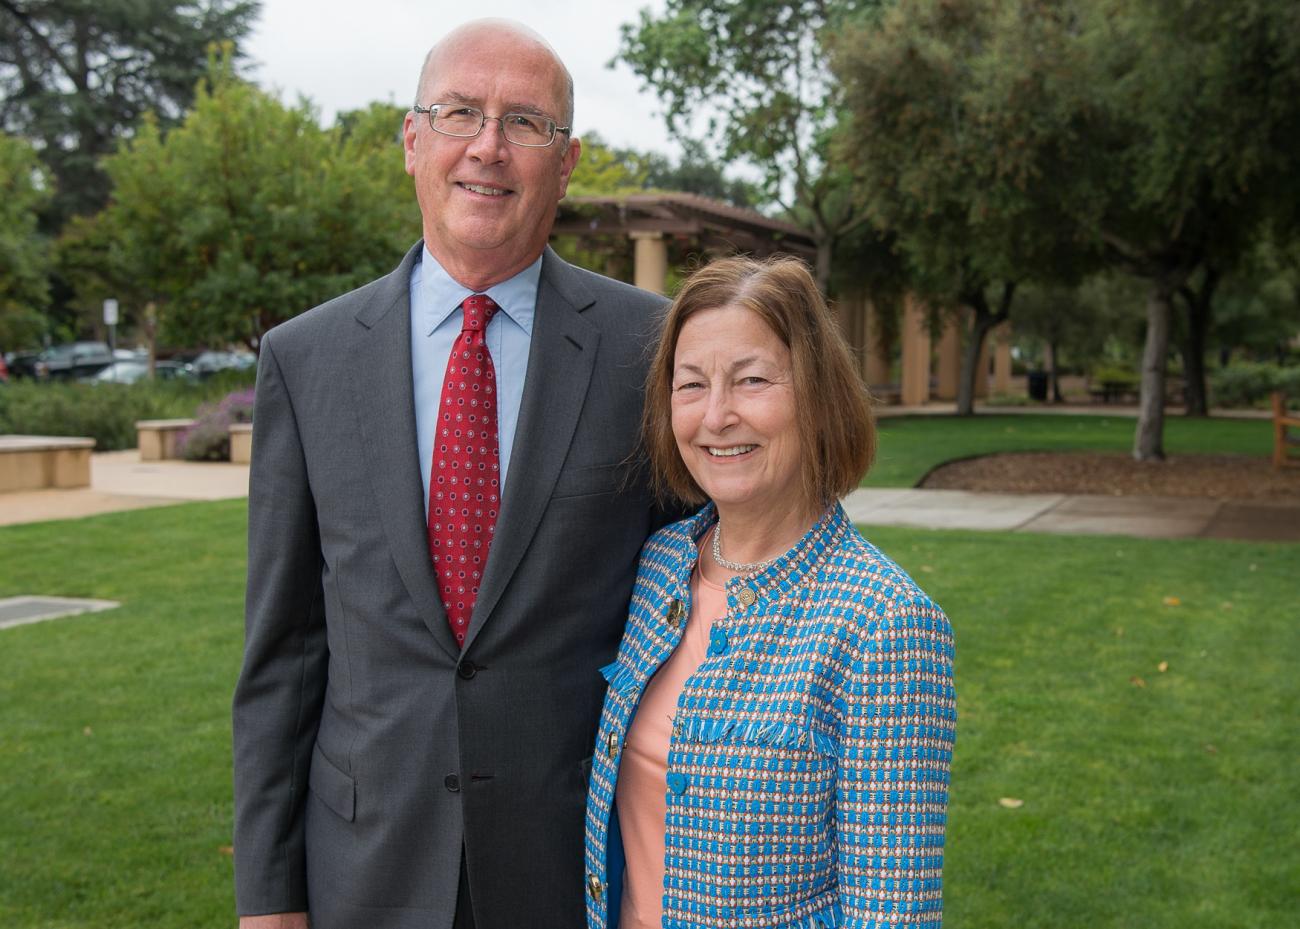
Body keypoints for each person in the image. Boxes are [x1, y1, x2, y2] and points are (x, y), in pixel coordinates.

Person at [232, 20, 671, 929]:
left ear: (568, 160)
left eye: (525, 122)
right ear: (411, 140)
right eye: (459, 112)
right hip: (365, 868)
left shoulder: (652, 351)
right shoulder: (304, 360)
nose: (487, 145)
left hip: (574, 868)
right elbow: (283, 655)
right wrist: (268, 902)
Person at [582, 256, 957, 929]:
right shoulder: (661, 563)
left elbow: (891, 913)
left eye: (751, 380)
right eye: (691, 384)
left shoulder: (886, 624)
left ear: (817, 395)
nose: (717, 416)